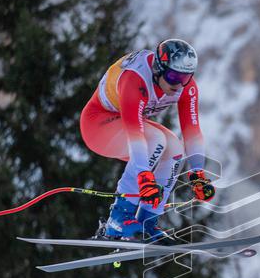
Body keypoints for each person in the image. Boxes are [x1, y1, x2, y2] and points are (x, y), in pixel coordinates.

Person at [79, 39, 215, 239]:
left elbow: (192, 130)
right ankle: (118, 219)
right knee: (156, 141)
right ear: (158, 68)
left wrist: (197, 174)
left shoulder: (186, 87)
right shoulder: (135, 79)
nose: (178, 84)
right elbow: (136, 134)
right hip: (98, 125)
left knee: (175, 149)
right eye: (172, 76)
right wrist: (144, 176)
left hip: (127, 126)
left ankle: (147, 221)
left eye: (185, 78)